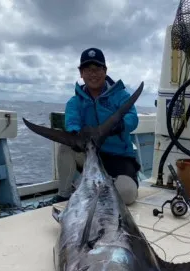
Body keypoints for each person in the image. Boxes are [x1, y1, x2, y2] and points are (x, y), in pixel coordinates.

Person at [45, 47, 140, 206]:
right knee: (66, 147)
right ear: (81, 73)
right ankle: (64, 195)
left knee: (127, 195)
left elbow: (132, 118)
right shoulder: (74, 102)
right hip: (90, 156)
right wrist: (77, 135)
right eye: (87, 70)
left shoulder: (121, 95)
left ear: (105, 70)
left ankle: (94, 189)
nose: (92, 74)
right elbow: (72, 123)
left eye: (96, 69)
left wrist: (119, 125)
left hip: (119, 157)